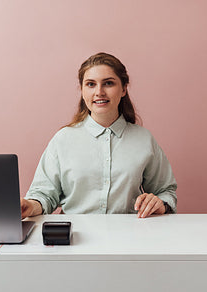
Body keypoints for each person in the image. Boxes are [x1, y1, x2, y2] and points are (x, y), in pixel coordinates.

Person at [21, 52, 177, 218]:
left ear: (124, 88)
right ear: (82, 90)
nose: (99, 92)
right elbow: (44, 195)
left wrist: (161, 203)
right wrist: (29, 206)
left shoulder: (144, 140)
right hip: (75, 237)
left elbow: (166, 192)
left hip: (129, 237)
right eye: (90, 84)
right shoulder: (63, 140)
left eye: (108, 83)